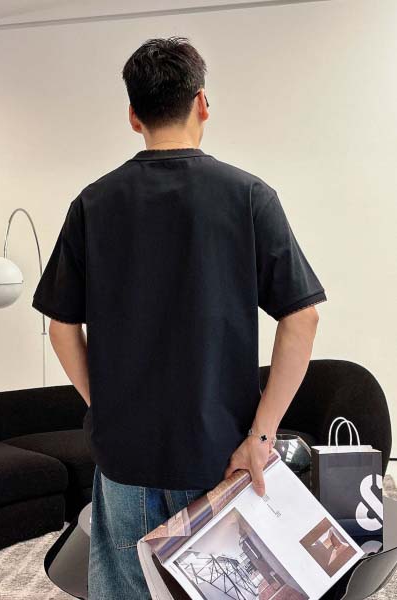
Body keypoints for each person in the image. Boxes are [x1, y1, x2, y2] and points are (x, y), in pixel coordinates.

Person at [32, 36, 327, 600]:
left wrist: (105, 403)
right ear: (202, 103)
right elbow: (303, 317)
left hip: (126, 458)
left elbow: (61, 326)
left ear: (133, 116)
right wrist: (261, 436)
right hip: (218, 457)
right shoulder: (249, 196)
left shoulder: (92, 203)